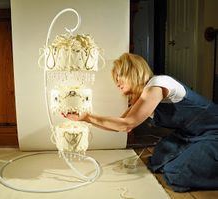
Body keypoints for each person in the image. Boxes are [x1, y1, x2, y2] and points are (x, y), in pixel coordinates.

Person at [63, 52, 218, 192]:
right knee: (157, 160)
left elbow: (126, 124)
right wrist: (84, 119)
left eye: (119, 77)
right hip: (189, 135)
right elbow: (121, 126)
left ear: (132, 71)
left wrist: (88, 117)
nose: (117, 83)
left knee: (175, 174)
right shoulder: (143, 95)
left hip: (213, 132)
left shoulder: (158, 84)